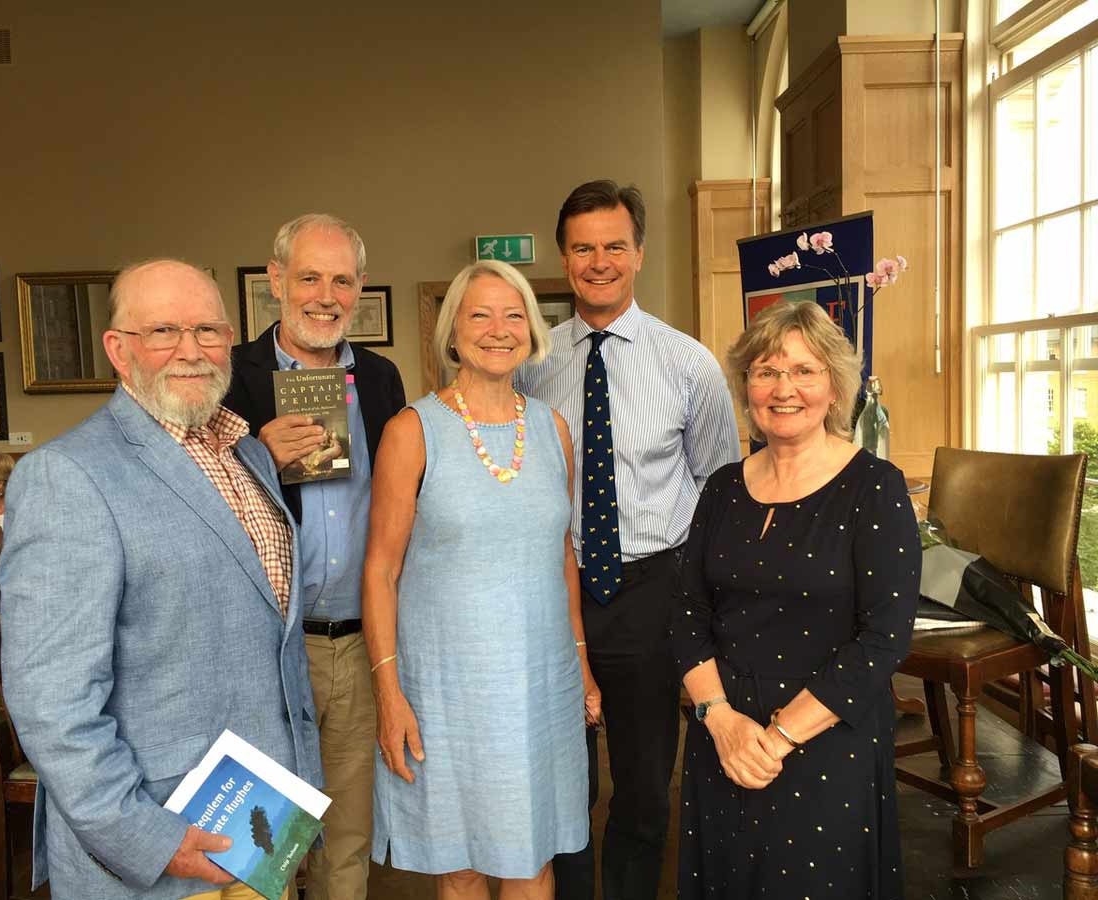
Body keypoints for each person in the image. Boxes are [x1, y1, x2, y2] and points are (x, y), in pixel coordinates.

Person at [1, 259, 321, 900]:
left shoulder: (248, 453)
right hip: (159, 839)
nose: (191, 350)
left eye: (208, 330)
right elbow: (51, 700)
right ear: (118, 350)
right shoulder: (67, 475)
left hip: (258, 821)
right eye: (164, 331)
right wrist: (145, 837)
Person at [515, 180, 740, 900]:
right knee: (565, 786)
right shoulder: (528, 366)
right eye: (583, 247)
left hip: (653, 592)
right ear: (564, 256)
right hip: (555, 594)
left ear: (639, 252)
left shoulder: (688, 364)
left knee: (644, 787)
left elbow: (718, 487)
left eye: (615, 245)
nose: (600, 260)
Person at [363, 260, 597, 899]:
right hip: (445, 691)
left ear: (532, 329)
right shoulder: (412, 430)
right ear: (453, 331)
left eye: (514, 313)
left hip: (540, 684)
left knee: (531, 860)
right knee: (462, 866)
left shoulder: (552, 428)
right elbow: (381, 570)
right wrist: (389, 696)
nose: (499, 329)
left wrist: (581, 663)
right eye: (480, 315)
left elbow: (561, 555)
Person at [672, 300, 919, 899]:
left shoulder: (874, 487)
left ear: (834, 388)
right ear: (747, 387)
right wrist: (720, 720)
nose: (784, 388)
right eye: (766, 371)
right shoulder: (722, 487)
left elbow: (884, 638)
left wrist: (777, 738)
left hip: (827, 737)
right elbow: (686, 615)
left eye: (804, 371)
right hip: (724, 735)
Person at [223, 213, 405, 900]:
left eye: (341, 280)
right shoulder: (230, 378)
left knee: (347, 836)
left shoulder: (383, 380)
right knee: (262, 841)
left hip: (357, 646)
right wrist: (256, 457)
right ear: (275, 281)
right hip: (267, 648)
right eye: (308, 277)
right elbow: (192, 502)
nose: (324, 295)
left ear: (358, 288)